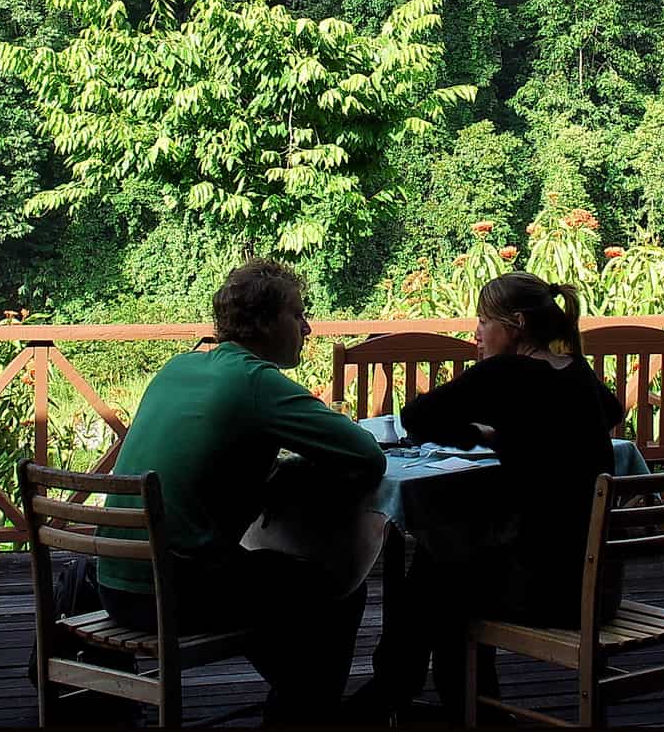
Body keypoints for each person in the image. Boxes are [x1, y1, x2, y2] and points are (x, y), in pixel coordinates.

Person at [95, 259, 385, 724]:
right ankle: (306, 713)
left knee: (271, 582)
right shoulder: (256, 381)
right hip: (175, 595)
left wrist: (278, 472)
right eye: (297, 314)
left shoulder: (178, 367)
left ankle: (297, 700)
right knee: (337, 588)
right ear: (266, 323)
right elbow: (366, 456)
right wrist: (293, 471)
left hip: (112, 585)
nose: (307, 327)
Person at [351, 272, 626, 722]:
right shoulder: (575, 370)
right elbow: (610, 411)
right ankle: (462, 702)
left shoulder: (506, 372)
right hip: (594, 583)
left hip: (546, 591)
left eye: (483, 321)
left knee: (433, 567)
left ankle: (399, 690)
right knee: (444, 563)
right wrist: (508, 438)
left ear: (514, 324)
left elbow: (418, 418)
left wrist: (477, 432)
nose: (477, 332)